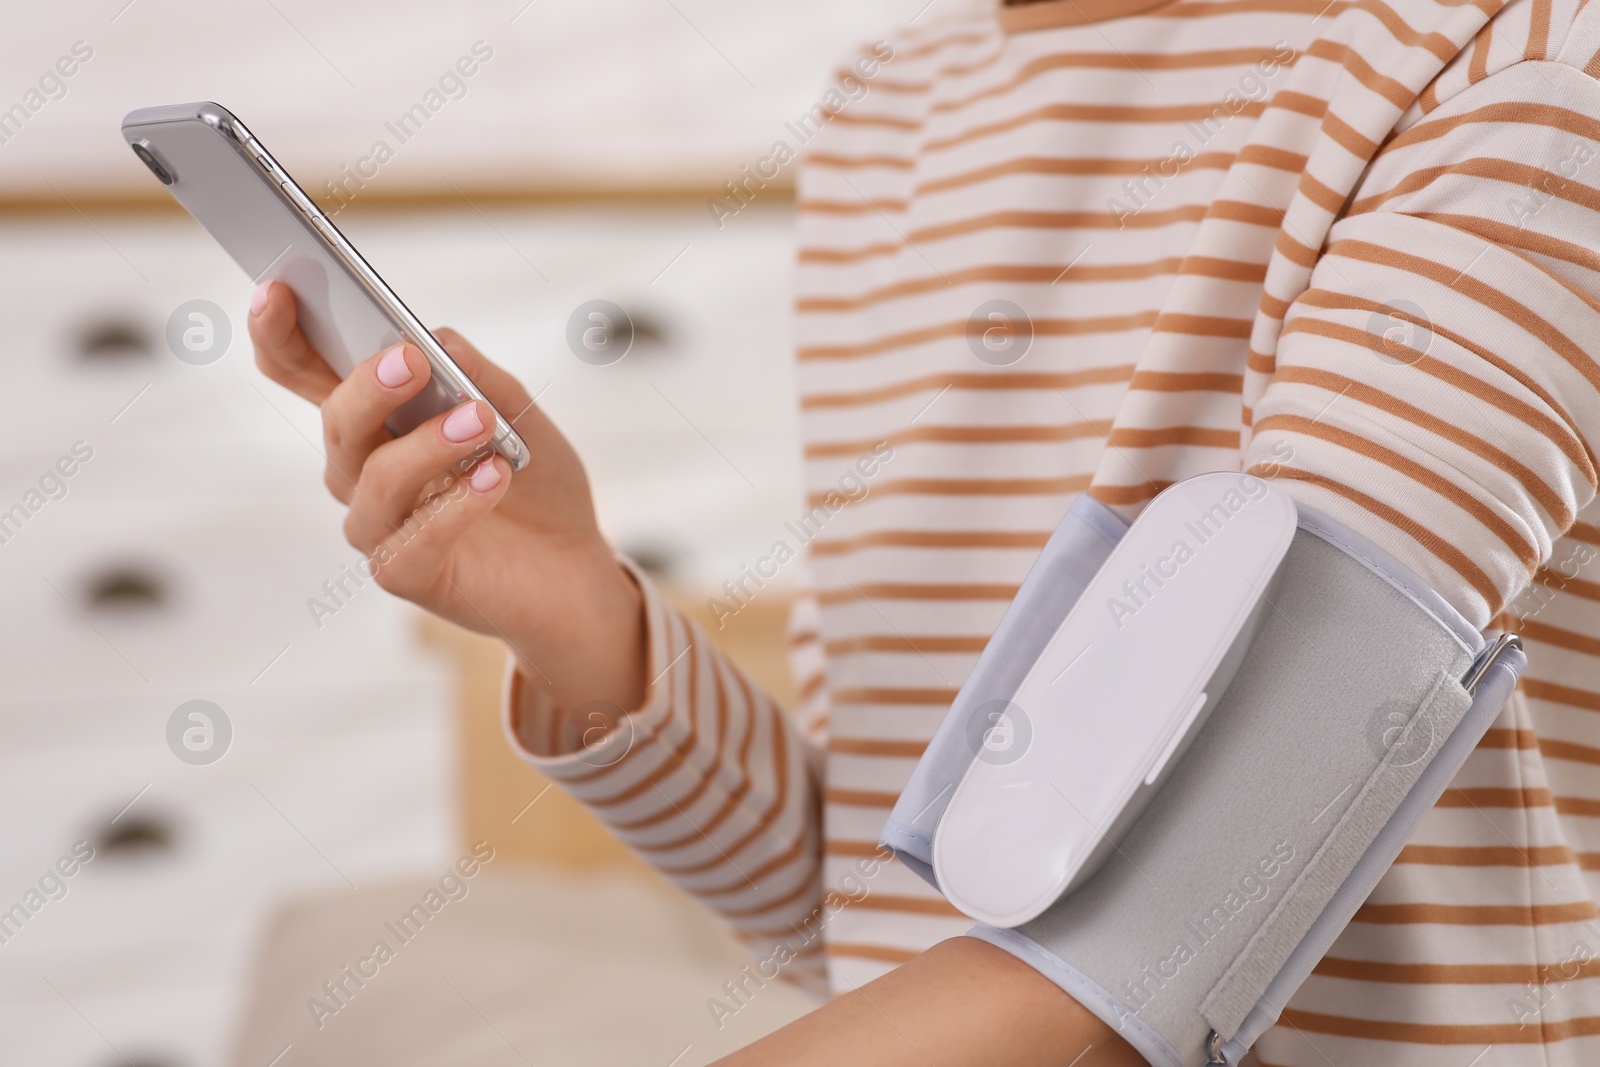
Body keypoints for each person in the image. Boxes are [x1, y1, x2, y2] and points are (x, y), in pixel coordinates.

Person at [249, 0, 1600, 1061]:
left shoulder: (1522, 64)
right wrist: (587, 618)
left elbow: (1145, 935)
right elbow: (885, 921)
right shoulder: (889, 114)